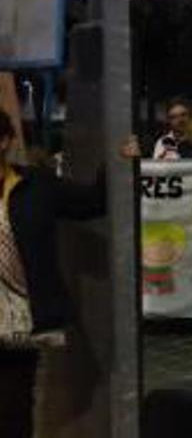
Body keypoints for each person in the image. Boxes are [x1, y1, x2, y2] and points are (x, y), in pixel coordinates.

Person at [1, 111, 138, 438]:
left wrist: (120, 161)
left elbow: (93, 202)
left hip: (18, 321)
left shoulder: (35, 186)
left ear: (4, 141)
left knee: (13, 407)